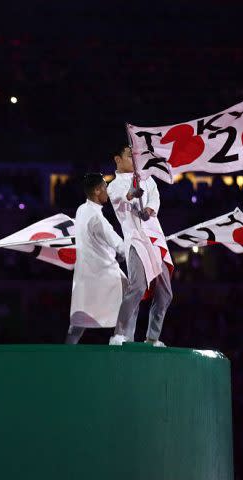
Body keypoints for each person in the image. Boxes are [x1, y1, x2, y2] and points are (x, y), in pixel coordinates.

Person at [107, 145, 173, 347]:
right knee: (137, 287)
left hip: (155, 238)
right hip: (136, 239)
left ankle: (152, 337)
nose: (134, 160)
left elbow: (155, 197)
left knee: (165, 292)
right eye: (129, 156)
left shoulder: (146, 178)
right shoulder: (113, 185)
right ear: (118, 159)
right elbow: (120, 200)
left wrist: (150, 209)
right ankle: (119, 334)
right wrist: (130, 194)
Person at [66, 173, 128, 345]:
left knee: (80, 318)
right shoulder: (98, 219)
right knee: (130, 291)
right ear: (96, 190)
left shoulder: (81, 210)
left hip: (85, 274)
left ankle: (66, 353)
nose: (107, 192)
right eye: (105, 188)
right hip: (103, 271)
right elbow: (119, 244)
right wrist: (126, 251)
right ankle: (120, 337)